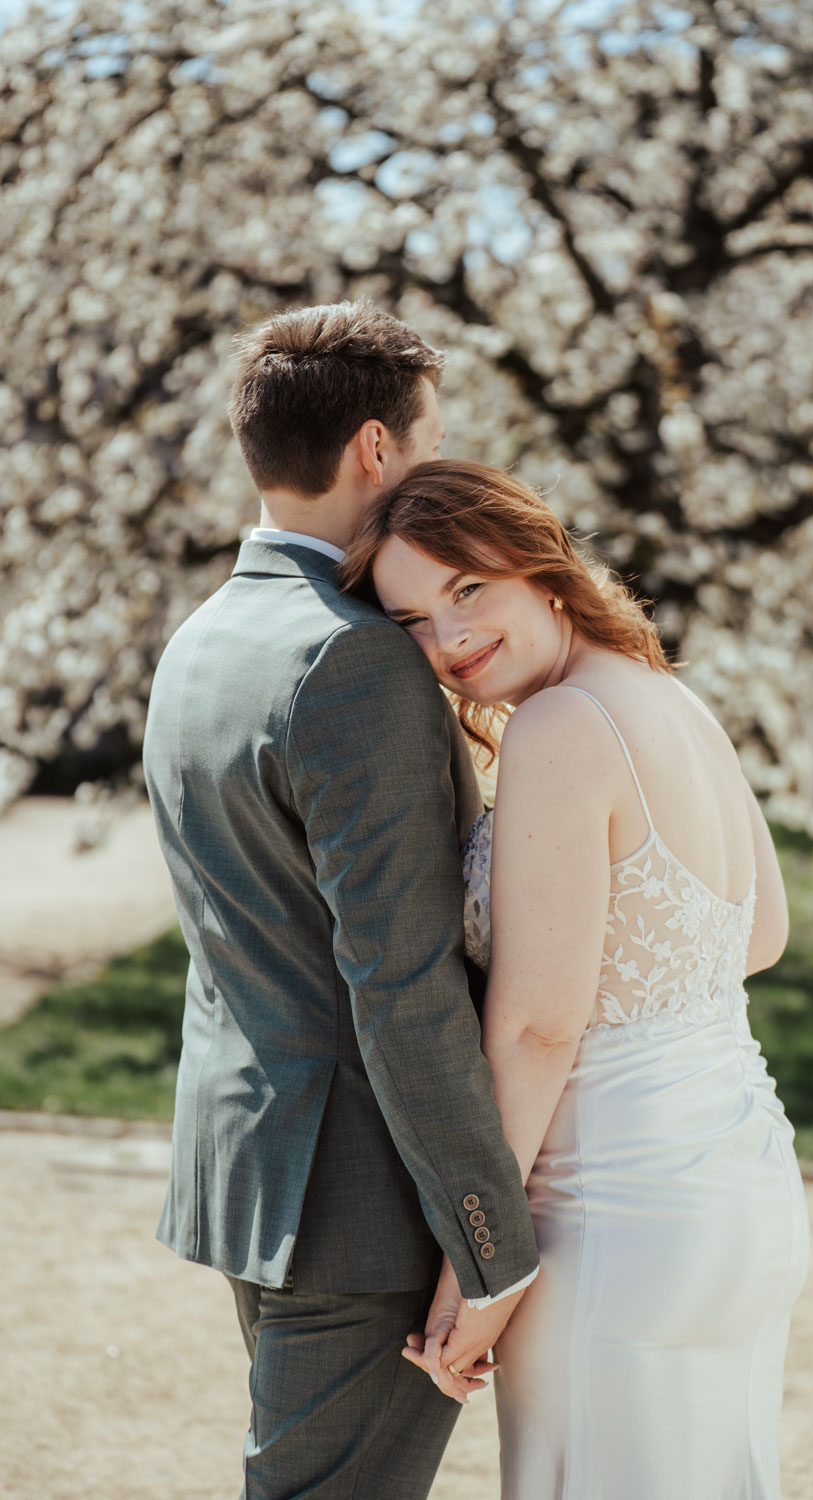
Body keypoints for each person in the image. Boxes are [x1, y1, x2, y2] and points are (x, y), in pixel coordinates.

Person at [343, 460, 811, 1499]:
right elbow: (759, 934)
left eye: (466, 590)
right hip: (740, 1185)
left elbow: (537, 1032)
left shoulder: (560, 728)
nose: (448, 639)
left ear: (537, 566)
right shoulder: (668, 696)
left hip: (617, 1213)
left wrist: (483, 1268)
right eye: (410, 620)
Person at [143, 305, 538, 1500]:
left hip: (249, 1170)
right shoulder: (353, 656)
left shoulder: (205, 637)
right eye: (427, 443)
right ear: (375, 449)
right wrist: (490, 1241)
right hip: (357, 1207)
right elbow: (399, 978)